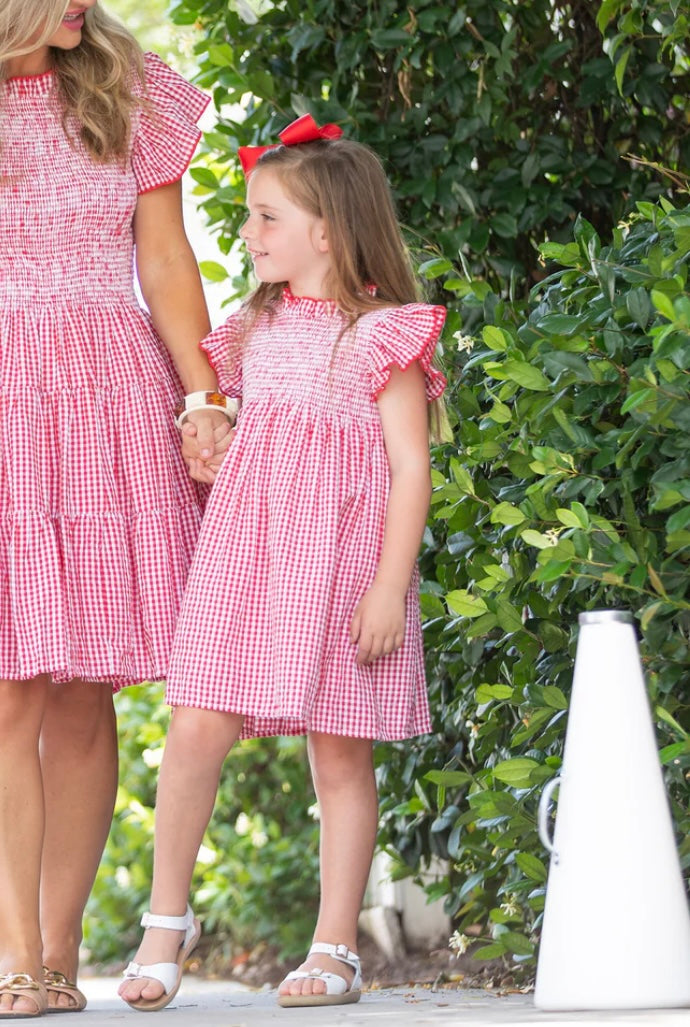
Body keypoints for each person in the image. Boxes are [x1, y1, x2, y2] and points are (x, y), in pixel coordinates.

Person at [117, 114, 447, 1012]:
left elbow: (411, 468)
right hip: (244, 561)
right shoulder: (250, 328)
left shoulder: (384, 334)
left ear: (329, 230)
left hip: (342, 570)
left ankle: (335, 945)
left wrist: (389, 585)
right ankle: (164, 921)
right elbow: (241, 442)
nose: (249, 234)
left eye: (267, 217)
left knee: (338, 753)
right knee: (194, 726)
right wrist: (211, 438)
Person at [0, 0, 234, 1018]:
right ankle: (14, 956)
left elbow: (166, 260)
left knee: (79, 688)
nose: (83, 4)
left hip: (104, 394)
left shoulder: (128, 88)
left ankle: (56, 954)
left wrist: (205, 397)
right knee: (7, 689)